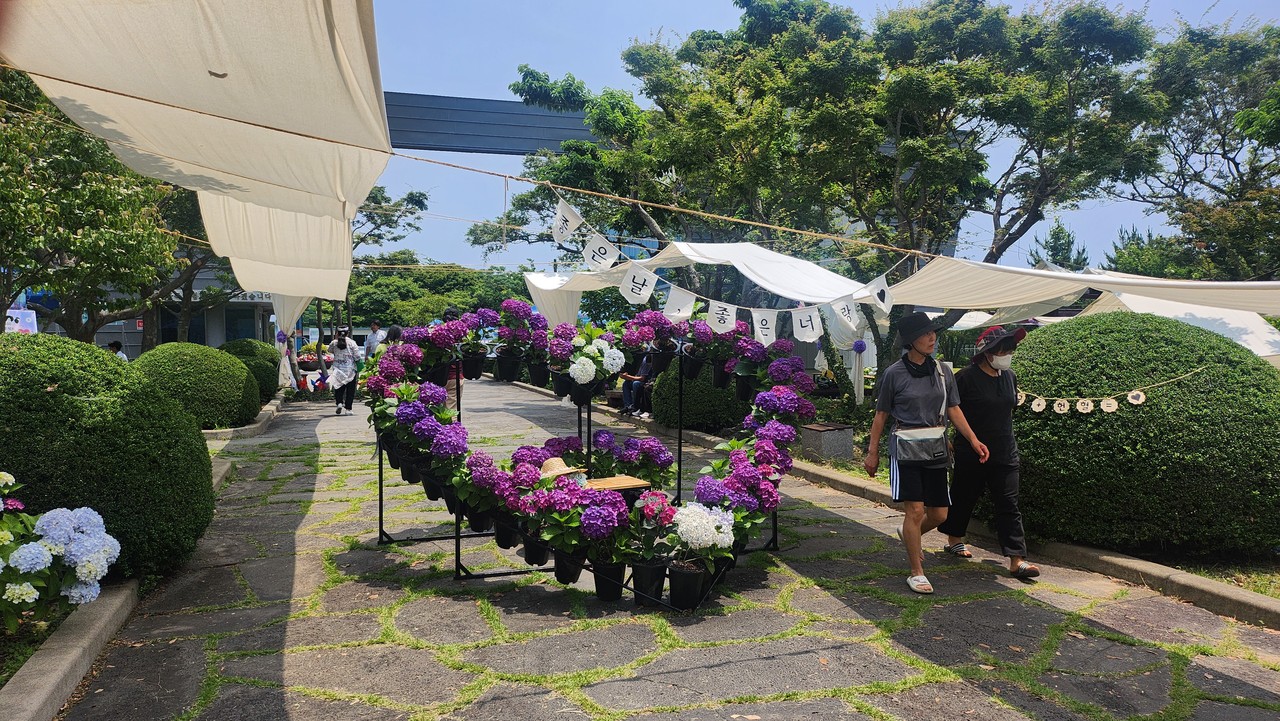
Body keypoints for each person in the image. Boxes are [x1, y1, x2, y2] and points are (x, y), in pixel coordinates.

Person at [864, 311, 989, 595]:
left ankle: (910, 535)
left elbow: (953, 409)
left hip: (935, 447)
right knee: (916, 510)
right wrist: (872, 452)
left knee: (940, 515)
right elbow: (881, 415)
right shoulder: (894, 373)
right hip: (905, 447)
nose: (932, 337)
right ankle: (916, 572)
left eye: (934, 332)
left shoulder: (943, 371)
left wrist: (973, 440)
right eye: (925, 334)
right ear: (911, 341)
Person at [938, 326, 1041, 579]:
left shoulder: (1009, 376)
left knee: (1008, 503)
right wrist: (947, 437)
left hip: (1005, 450)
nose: (1007, 355)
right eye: (1002, 350)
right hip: (970, 450)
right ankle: (954, 539)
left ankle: (1017, 560)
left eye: (1010, 350)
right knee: (964, 495)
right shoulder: (965, 377)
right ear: (987, 353)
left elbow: (1008, 410)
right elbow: (948, 408)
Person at [328, 326, 360, 415]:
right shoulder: (352, 343)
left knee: (338, 388)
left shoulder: (334, 343)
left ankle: (339, 403)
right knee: (350, 390)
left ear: (337, 333)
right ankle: (348, 409)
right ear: (348, 333)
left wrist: (335, 338)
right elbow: (357, 356)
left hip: (337, 369)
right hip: (350, 370)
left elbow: (329, 350)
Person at [442, 308, 463, 410]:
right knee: (452, 410)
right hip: (456, 376)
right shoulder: (461, 333)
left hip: (438, 376)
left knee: (437, 410)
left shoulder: (437, 331)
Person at [619, 353, 652, 418]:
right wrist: (626, 376)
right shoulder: (641, 358)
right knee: (626, 384)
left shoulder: (647, 359)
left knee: (636, 384)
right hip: (637, 379)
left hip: (645, 382)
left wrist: (629, 377)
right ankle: (628, 406)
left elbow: (642, 378)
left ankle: (635, 407)